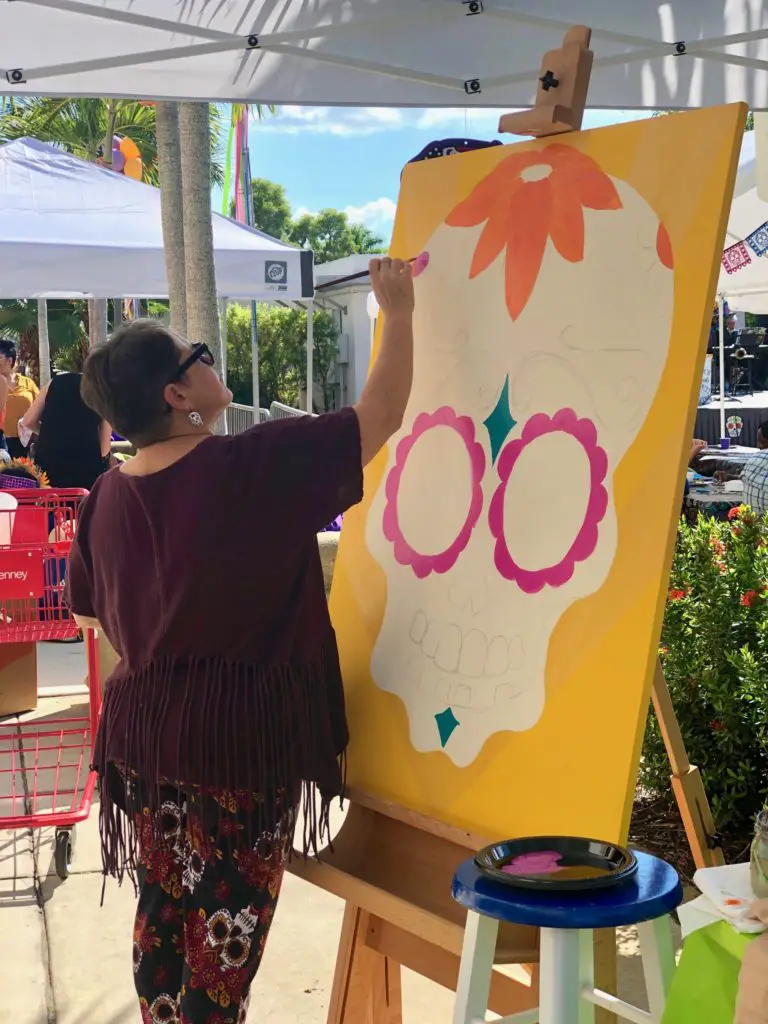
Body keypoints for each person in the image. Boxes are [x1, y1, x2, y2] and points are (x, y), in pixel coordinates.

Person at [65, 257, 415, 1022]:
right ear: (177, 394)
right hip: (234, 746)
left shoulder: (104, 499)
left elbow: (92, 615)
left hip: (143, 743)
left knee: (164, 921)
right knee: (224, 944)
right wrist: (399, 313)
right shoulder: (254, 464)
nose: (210, 362)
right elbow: (380, 416)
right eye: (201, 358)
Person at [20, 372, 113, 490]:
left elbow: (28, 421)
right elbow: (104, 449)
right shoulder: (102, 391)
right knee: (82, 505)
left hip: (50, 458)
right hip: (86, 462)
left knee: (51, 504)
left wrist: (51, 433)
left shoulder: (53, 383)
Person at [716, 420, 768, 515]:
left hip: (750, 524)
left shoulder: (755, 458)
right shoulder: (758, 458)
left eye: (762, 443)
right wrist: (730, 477)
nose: (758, 447)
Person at [0, 340, 38, 458]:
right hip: (2, 441)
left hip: (26, 441)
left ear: (9, 360)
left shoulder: (27, 382)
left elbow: (41, 406)